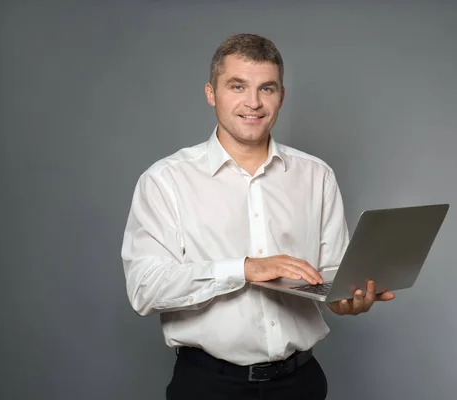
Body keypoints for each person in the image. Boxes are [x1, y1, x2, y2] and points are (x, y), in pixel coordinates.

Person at [121, 33, 395, 400]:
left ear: (281, 96)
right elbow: (144, 289)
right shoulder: (165, 181)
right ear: (210, 93)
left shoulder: (317, 175)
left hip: (301, 384)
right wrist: (244, 269)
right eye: (237, 86)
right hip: (208, 387)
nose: (253, 102)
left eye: (266, 89)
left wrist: (346, 298)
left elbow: (331, 275)